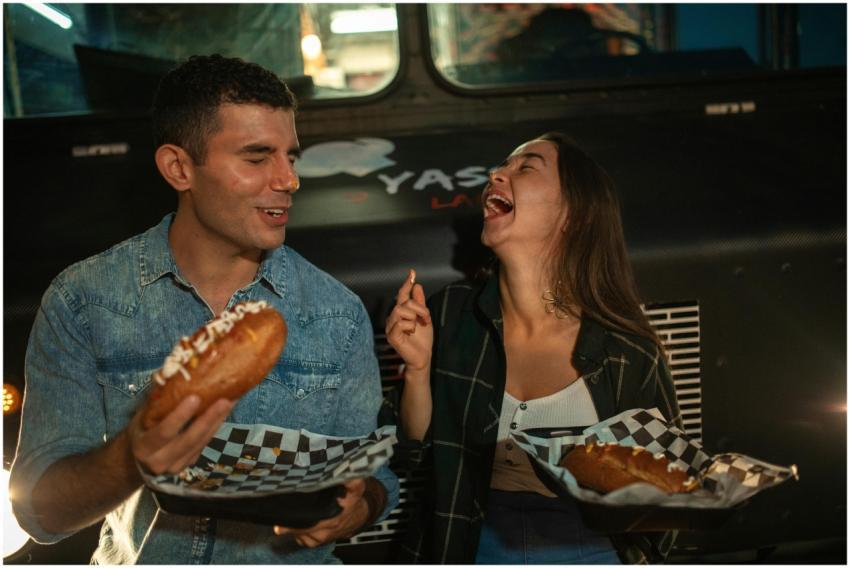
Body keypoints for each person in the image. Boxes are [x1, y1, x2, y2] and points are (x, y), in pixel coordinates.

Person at [10, 54, 399, 564]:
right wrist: (132, 457)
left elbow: (373, 478)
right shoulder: (82, 301)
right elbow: (42, 515)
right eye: (257, 158)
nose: (288, 180)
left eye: (291, 157)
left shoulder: (336, 313)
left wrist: (357, 506)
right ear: (178, 168)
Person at [386, 132, 681, 564]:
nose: (495, 175)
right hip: (469, 541)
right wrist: (416, 371)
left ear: (573, 215)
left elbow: (671, 484)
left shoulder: (626, 348)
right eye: (503, 166)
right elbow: (410, 453)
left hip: (591, 546)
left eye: (525, 167)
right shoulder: (450, 314)